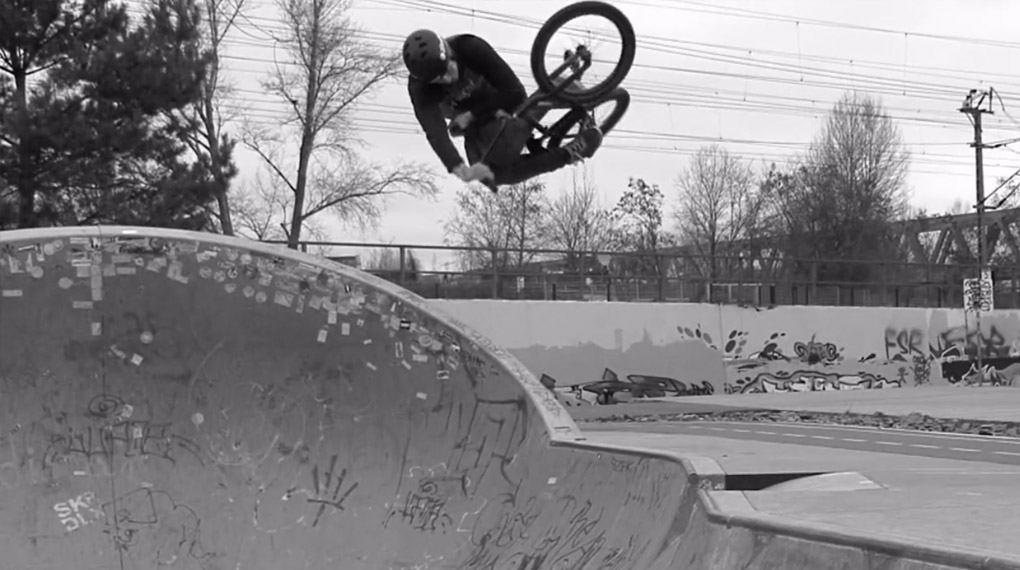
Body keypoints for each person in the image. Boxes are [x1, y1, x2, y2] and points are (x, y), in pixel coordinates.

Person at [402, 29, 603, 191]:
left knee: (509, 138)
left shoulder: (470, 48)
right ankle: (569, 153)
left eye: (447, 71)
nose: (447, 80)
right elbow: (435, 133)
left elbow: (514, 92)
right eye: (439, 80)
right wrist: (455, 165)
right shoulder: (421, 90)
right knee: (491, 176)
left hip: (503, 101)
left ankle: (560, 86)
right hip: (475, 125)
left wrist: (472, 114)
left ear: (450, 54)